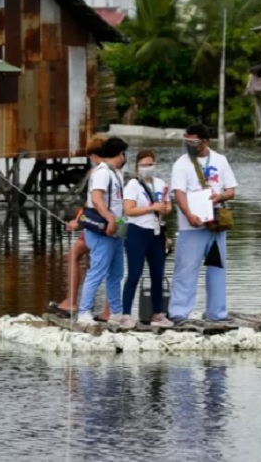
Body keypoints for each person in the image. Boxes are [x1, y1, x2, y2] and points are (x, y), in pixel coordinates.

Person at [168, 124, 238, 323]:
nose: (190, 145)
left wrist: (220, 196)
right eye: (187, 141)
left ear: (206, 141)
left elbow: (231, 190)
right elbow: (179, 193)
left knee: (217, 269)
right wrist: (188, 214)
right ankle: (179, 312)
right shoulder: (181, 164)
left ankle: (217, 313)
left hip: (216, 224)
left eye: (194, 142)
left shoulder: (220, 160)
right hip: (192, 225)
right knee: (186, 268)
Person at [50, 135, 111, 321]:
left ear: (93, 155)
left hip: (99, 226)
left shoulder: (99, 172)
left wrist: (79, 222)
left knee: (91, 261)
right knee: (108, 266)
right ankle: (106, 310)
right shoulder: (112, 171)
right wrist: (78, 219)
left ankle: (74, 303)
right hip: (104, 225)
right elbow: (89, 204)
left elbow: (95, 202)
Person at [76, 137, 132, 327]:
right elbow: (97, 198)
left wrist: (119, 221)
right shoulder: (102, 173)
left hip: (116, 230)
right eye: (124, 154)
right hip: (102, 228)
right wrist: (109, 218)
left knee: (116, 272)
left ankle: (116, 312)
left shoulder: (115, 173)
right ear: (120, 154)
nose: (125, 158)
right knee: (97, 270)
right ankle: (84, 311)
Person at [122, 150, 174, 328]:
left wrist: (165, 208)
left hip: (156, 232)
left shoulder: (160, 183)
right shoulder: (133, 185)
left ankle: (158, 313)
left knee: (157, 274)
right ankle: (126, 314)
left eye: (150, 164)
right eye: (144, 165)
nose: (147, 168)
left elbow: (167, 205)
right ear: (137, 167)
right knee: (134, 274)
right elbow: (129, 210)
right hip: (137, 231)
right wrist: (152, 207)